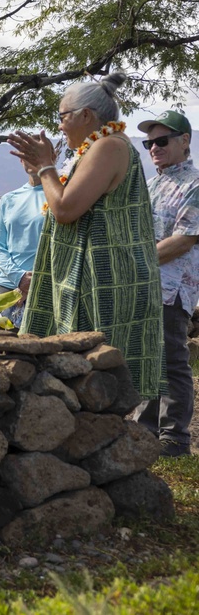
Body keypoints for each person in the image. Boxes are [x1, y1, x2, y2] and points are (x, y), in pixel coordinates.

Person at [7, 73, 163, 401]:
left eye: (63, 117)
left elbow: (64, 209)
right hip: (94, 275)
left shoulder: (108, 146)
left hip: (106, 279)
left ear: (86, 116)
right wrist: (42, 170)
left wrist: (46, 166)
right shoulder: (94, 148)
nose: (60, 126)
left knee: (98, 379)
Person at [131, 111, 199, 457]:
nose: (154, 148)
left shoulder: (196, 185)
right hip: (142, 288)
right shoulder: (150, 183)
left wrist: (133, 262)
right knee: (146, 360)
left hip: (172, 289)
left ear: (185, 141)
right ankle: (145, 431)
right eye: (148, 143)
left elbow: (184, 239)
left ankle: (174, 439)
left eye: (162, 140)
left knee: (171, 360)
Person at [0, 161, 46, 329]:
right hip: (8, 288)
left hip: (46, 287)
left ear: (52, 156)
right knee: (7, 351)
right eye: (26, 155)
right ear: (21, 160)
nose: (31, 159)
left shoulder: (62, 197)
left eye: (35, 154)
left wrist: (36, 281)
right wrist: (19, 278)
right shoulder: (8, 200)